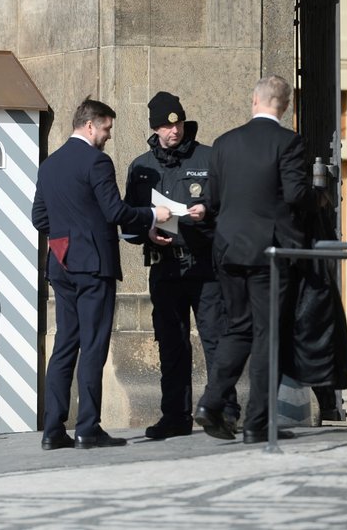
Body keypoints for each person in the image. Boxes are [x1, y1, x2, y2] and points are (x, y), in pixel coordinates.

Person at [32, 98, 172, 450]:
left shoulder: (50, 165)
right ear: (90, 125)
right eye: (107, 128)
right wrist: (154, 215)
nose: (109, 136)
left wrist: (69, 234)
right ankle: (87, 428)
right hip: (93, 264)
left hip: (61, 263)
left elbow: (40, 219)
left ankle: (52, 430)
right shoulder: (97, 161)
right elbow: (115, 211)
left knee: (65, 344)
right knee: (93, 345)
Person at [197, 76, 316, 445]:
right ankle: (256, 422)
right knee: (268, 335)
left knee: (237, 328)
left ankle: (211, 402)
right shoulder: (288, 142)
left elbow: (214, 201)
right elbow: (296, 194)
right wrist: (318, 198)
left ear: (254, 101)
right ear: (286, 105)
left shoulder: (224, 143)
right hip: (269, 253)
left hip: (229, 249)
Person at [123, 91, 237, 439]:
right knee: (171, 344)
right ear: (155, 128)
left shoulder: (209, 157)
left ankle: (224, 412)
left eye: (178, 124)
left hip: (204, 267)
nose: (173, 131)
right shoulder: (141, 167)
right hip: (165, 267)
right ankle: (175, 416)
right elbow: (129, 220)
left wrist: (207, 212)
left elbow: (230, 208)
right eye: (165, 126)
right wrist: (148, 232)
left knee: (215, 340)